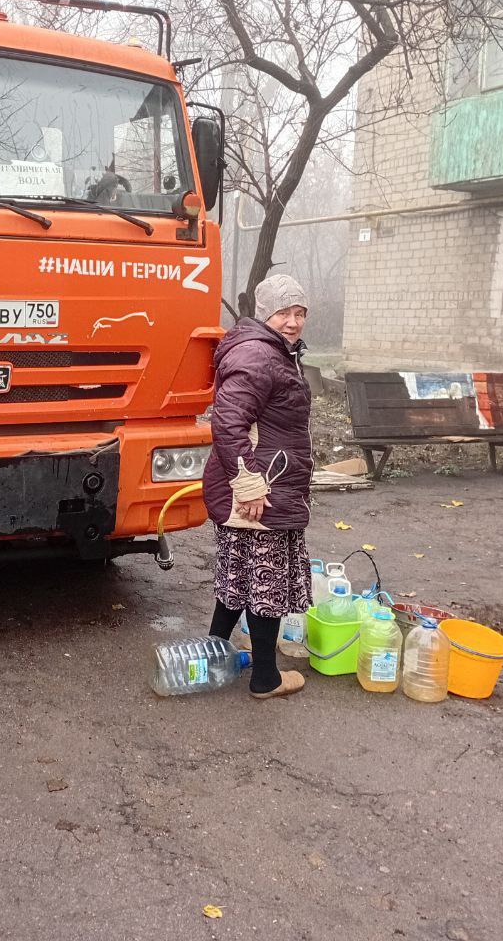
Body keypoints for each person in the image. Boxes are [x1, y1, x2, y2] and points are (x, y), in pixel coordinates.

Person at [201, 275, 314, 699]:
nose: (293, 321)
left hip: (264, 481)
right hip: (258, 488)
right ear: (265, 313)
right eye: (284, 312)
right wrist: (248, 485)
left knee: (239, 576)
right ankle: (266, 677)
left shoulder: (275, 353)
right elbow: (227, 423)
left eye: (300, 313)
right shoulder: (257, 355)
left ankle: (213, 656)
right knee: (265, 582)